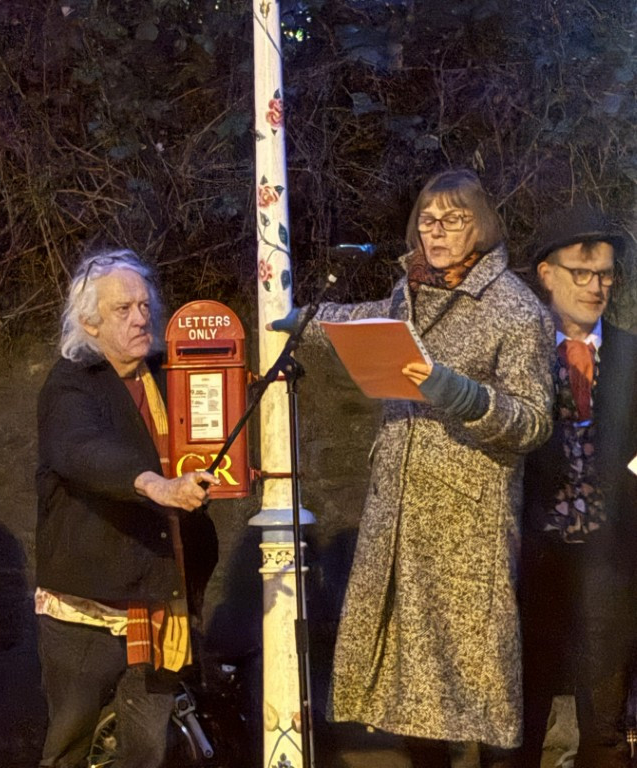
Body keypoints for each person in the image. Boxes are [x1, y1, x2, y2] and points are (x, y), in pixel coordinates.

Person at [271, 169, 554, 766]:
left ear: (482, 225)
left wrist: (464, 396)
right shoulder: (410, 291)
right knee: (408, 692)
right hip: (398, 515)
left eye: (454, 219)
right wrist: (305, 321)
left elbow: (533, 421)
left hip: (465, 525)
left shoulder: (516, 309)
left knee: (471, 686)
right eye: (428, 220)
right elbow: (368, 319)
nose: (438, 232)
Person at [35, 249, 220, 768]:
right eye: (123, 309)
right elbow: (81, 450)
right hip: (87, 606)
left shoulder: (166, 376)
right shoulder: (71, 382)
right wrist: (155, 485)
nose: (141, 318)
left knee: (146, 753)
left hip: (161, 597)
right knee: (68, 747)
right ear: (89, 322)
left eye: (144, 305)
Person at [517, 205, 637, 767]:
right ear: (547, 274)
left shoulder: (632, 354)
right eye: (582, 273)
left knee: (606, 726)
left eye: (605, 275)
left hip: (611, 558)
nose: (596, 287)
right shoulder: (519, 351)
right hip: (531, 556)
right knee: (518, 723)